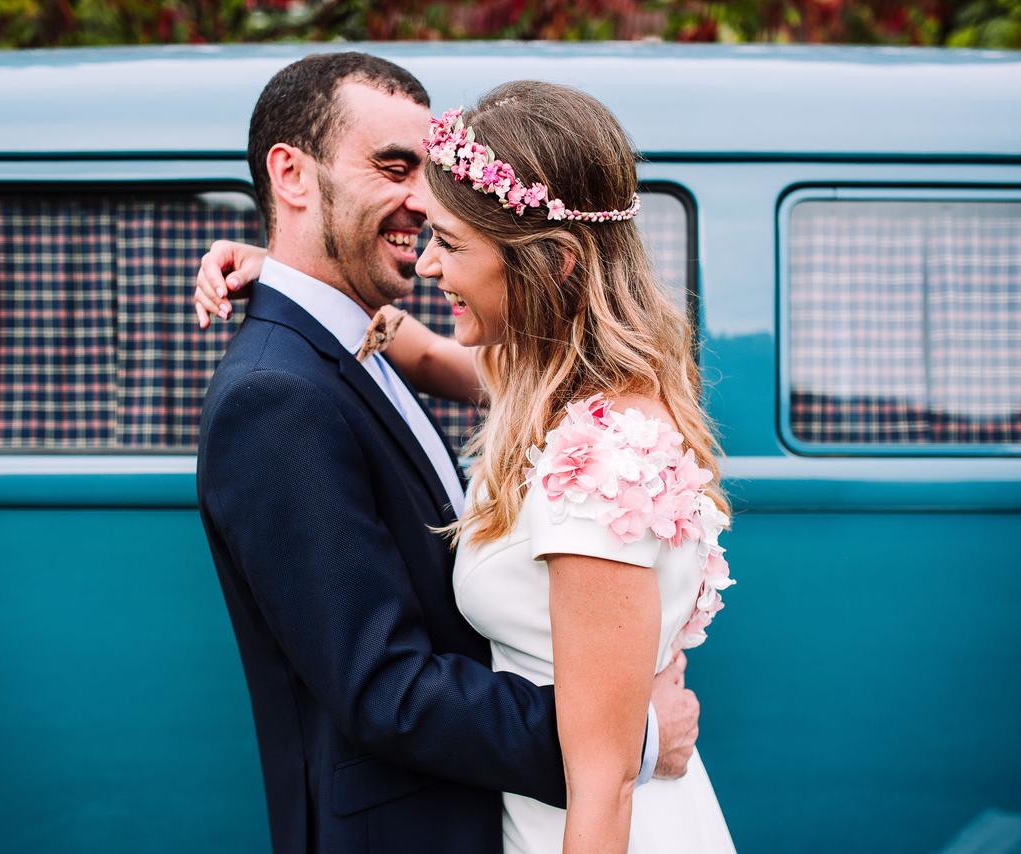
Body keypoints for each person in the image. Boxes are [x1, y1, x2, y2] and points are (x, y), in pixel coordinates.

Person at [195, 53, 701, 854]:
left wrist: (297, 284)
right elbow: (383, 687)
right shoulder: (277, 395)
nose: (420, 214)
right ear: (291, 176)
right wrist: (630, 734)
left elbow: (440, 356)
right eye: (393, 168)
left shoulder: (574, 415)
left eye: (448, 229)